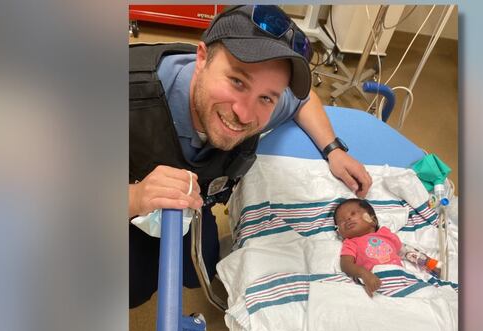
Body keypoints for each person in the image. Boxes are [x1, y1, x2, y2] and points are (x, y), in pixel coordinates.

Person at [129, 5, 373, 308]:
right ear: (201, 59)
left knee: (200, 268)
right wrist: (135, 197)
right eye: (237, 81)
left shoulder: (261, 104)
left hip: (191, 205)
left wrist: (333, 150)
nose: (244, 115)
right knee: (131, 286)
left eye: (266, 97)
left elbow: (304, 99)